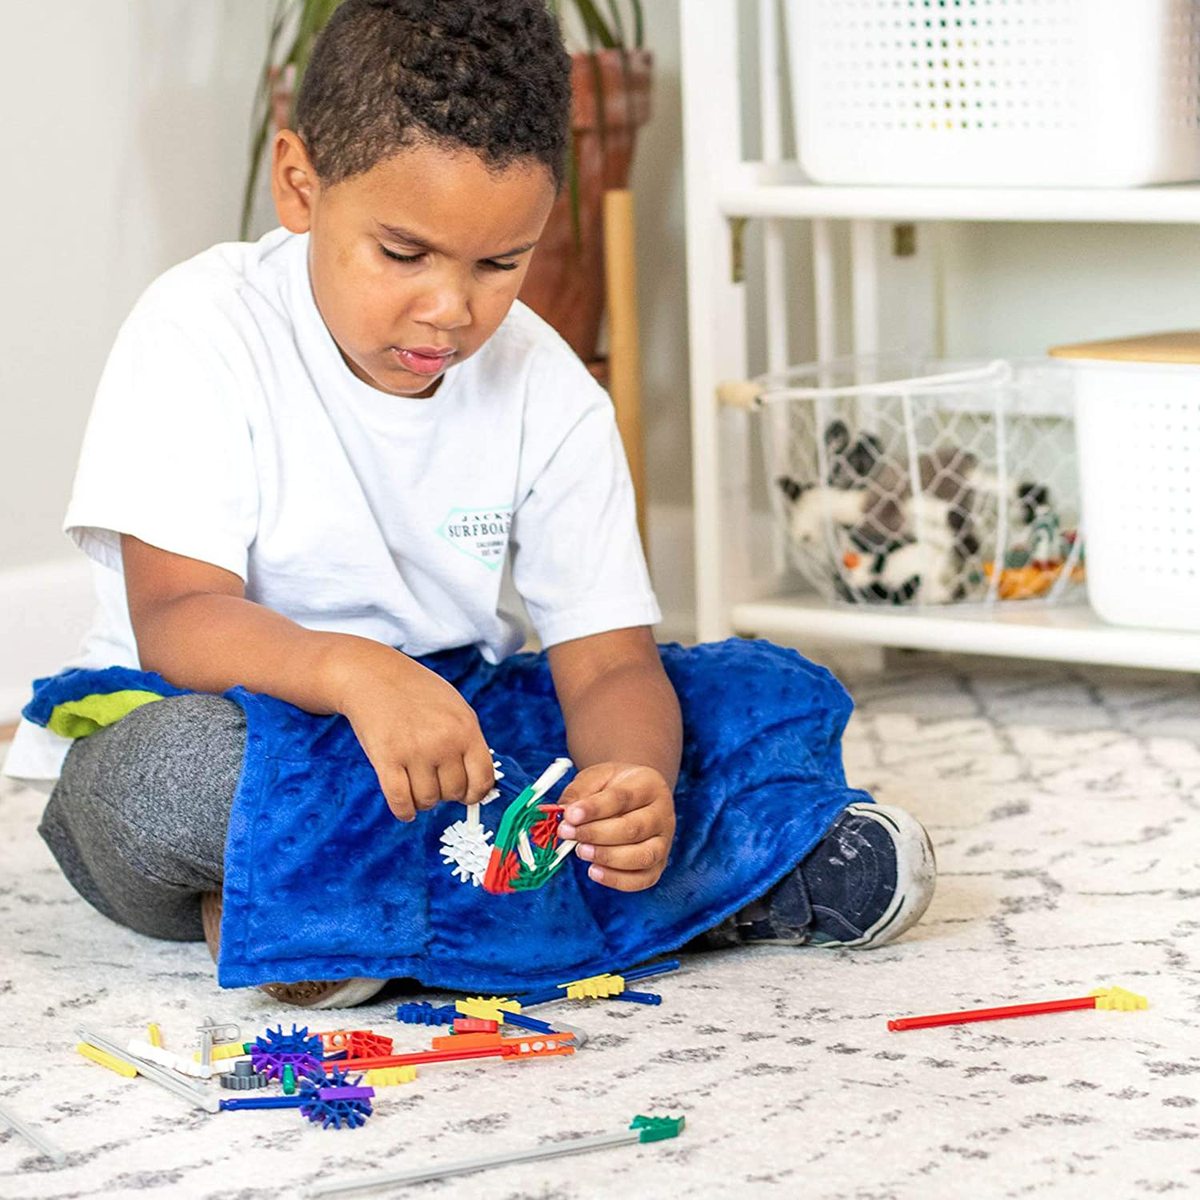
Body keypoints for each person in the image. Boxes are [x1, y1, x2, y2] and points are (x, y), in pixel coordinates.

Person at [4, 0, 935, 1008]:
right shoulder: (201, 329)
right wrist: (352, 673)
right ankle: (736, 883)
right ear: (299, 184)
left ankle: (345, 919)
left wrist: (630, 782)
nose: (452, 309)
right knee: (161, 776)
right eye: (403, 255)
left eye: (500, 264)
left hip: (454, 748)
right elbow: (179, 620)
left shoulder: (551, 391)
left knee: (741, 693)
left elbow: (609, 659)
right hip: (233, 718)